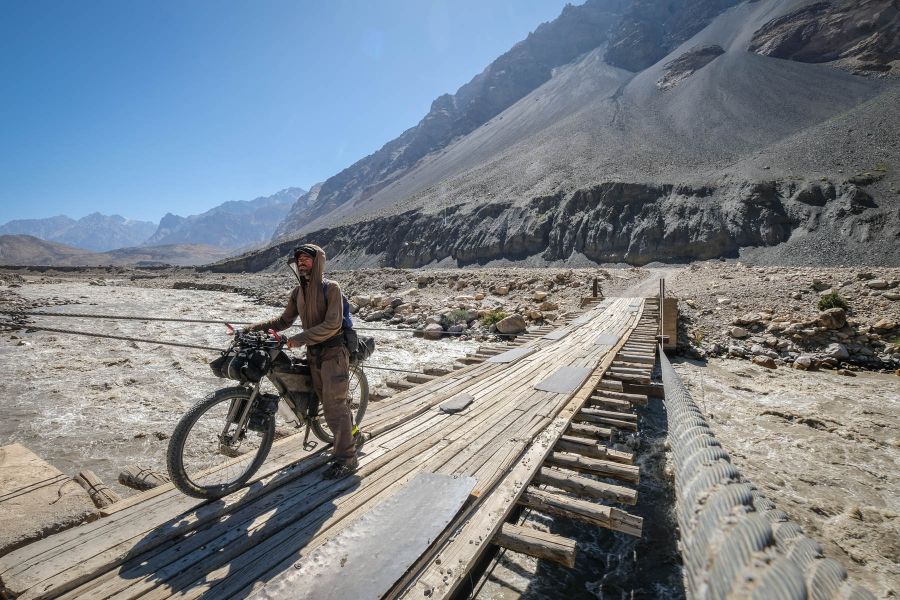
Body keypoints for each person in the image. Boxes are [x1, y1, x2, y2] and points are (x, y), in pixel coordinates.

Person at [247, 243, 364, 479]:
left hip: (333, 354)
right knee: (331, 402)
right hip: (313, 355)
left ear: (317, 262)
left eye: (307, 258)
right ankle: (355, 436)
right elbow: (283, 321)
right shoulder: (298, 292)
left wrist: (298, 339)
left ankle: (347, 460)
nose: (301, 262)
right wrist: (250, 329)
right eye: (299, 259)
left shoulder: (331, 288)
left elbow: (333, 324)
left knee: (334, 407)